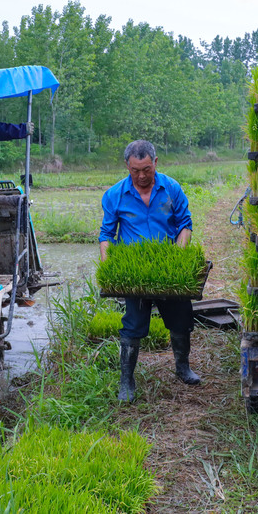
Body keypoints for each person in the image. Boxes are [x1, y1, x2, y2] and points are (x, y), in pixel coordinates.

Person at [99, 140, 199, 402]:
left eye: (146, 169)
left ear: (155, 163)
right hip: (136, 273)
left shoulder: (172, 189)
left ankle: (182, 367)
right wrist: (109, 268)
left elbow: (185, 225)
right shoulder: (114, 195)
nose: (141, 176)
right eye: (135, 170)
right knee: (133, 324)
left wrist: (177, 260)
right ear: (127, 167)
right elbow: (107, 235)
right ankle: (126, 381)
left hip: (167, 268)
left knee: (180, 319)